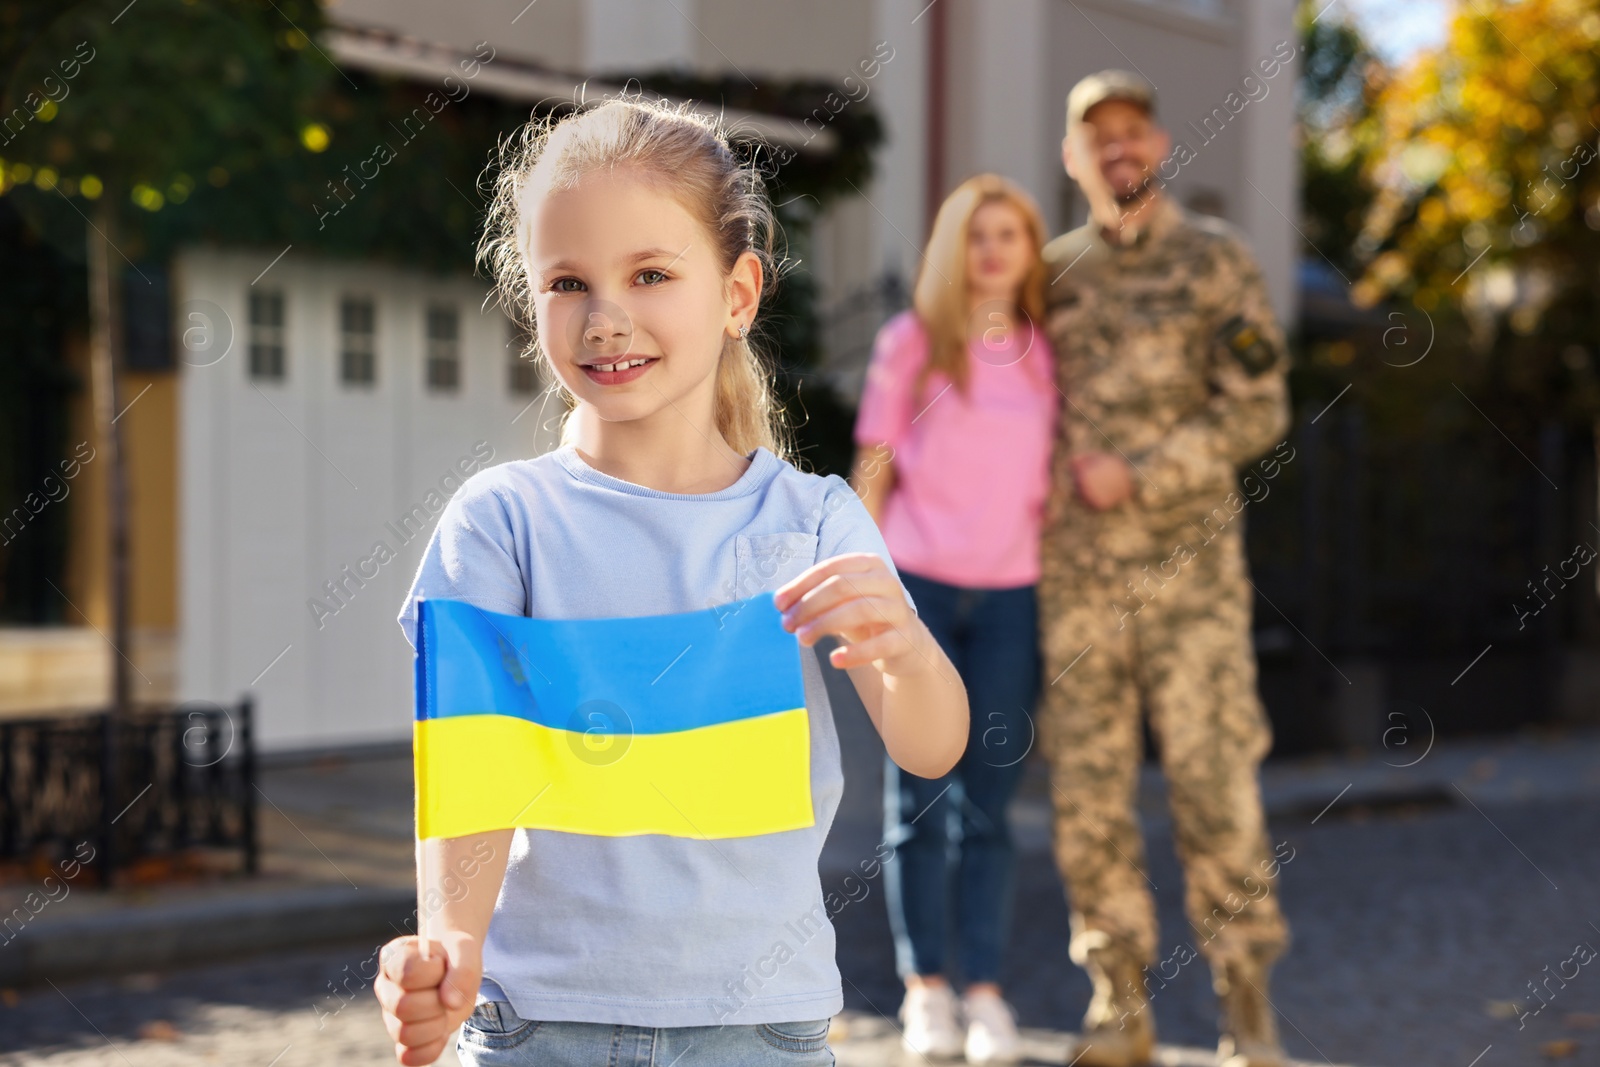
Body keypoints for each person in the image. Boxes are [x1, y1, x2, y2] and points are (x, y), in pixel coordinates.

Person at [371, 96, 970, 1067]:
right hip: (536, 1028)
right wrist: (454, 943)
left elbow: (933, 745)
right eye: (568, 281)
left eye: (650, 273)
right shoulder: (499, 521)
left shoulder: (811, 518)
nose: (607, 316)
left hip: (759, 1031)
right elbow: (472, 770)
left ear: (737, 294)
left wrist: (904, 646)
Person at [1035, 71, 1293, 1067]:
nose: (1117, 150)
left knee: (1214, 782)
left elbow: (1260, 406)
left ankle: (1247, 1005)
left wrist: (1140, 471)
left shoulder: (1216, 259)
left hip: (1192, 581)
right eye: (1095, 136)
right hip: (1077, 584)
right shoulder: (1049, 274)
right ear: (1072, 158)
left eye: (1133, 131)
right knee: (1090, 792)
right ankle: (1117, 1001)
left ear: (1161, 144)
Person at [851, 174, 1058, 1064]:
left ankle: (985, 992)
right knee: (918, 801)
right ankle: (924, 988)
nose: (994, 249)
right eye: (978, 234)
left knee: (990, 808)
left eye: (1010, 233)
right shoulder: (912, 344)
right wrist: (865, 587)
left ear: (1029, 248)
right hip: (919, 591)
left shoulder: (1048, 354)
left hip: (1012, 595)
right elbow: (875, 463)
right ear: (954, 248)